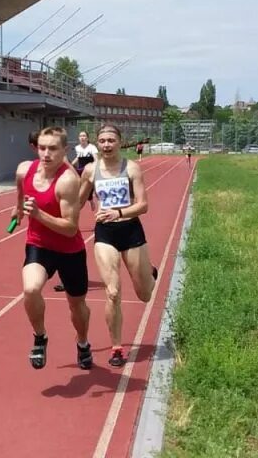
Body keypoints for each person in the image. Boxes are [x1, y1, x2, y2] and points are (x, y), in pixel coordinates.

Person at [12, 127, 93, 371]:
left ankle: (83, 343)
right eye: (42, 147)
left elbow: (70, 228)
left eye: (53, 149)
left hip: (70, 250)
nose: (46, 153)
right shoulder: (24, 170)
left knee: (76, 306)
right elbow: (21, 192)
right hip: (39, 244)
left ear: (64, 151)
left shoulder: (68, 181)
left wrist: (38, 214)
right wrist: (18, 208)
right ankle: (40, 337)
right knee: (31, 288)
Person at [80, 124, 158, 367]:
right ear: (97, 142)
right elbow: (77, 201)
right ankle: (116, 347)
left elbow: (143, 205)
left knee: (144, 294)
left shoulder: (131, 168)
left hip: (131, 230)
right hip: (105, 234)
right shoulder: (91, 171)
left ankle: (150, 273)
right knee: (112, 291)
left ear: (119, 142)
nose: (106, 145)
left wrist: (119, 211)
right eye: (102, 140)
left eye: (111, 140)